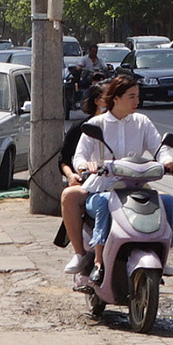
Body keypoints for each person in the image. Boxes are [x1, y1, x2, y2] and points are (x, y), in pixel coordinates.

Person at [65, 76, 173, 278]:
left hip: (136, 185)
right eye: (131, 96)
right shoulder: (96, 124)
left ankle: (163, 255)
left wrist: (167, 160)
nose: (137, 101)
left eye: (138, 96)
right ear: (116, 98)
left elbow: (159, 148)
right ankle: (88, 257)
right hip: (103, 187)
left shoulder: (142, 122)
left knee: (168, 202)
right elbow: (80, 156)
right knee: (101, 202)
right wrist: (85, 165)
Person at [57, 83, 107, 270]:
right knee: (70, 197)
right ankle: (80, 253)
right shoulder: (83, 128)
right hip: (88, 179)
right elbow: (65, 159)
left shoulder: (131, 123)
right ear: (97, 101)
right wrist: (72, 175)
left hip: (118, 181)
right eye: (108, 97)